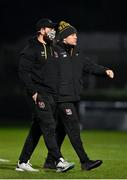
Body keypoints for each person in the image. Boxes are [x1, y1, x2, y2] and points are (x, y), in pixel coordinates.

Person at [43, 21, 114, 171]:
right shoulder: (53, 51)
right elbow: (46, 40)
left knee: (62, 130)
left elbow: (89, 66)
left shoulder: (76, 52)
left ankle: (50, 161)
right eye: (72, 34)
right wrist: (54, 29)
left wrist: (105, 70)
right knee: (73, 129)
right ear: (63, 38)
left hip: (73, 97)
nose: (76, 37)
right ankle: (85, 161)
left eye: (76, 34)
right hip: (62, 98)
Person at [15, 18, 75, 173]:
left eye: (54, 29)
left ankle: (22, 161)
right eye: (50, 29)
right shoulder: (31, 48)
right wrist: (33, 91)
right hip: (38, 94)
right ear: (41, 31)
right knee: (48, 125)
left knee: (38, 128)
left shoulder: (53, 47)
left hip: (52, 95)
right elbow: (23, 72)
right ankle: (59, 161)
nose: (53, 31)